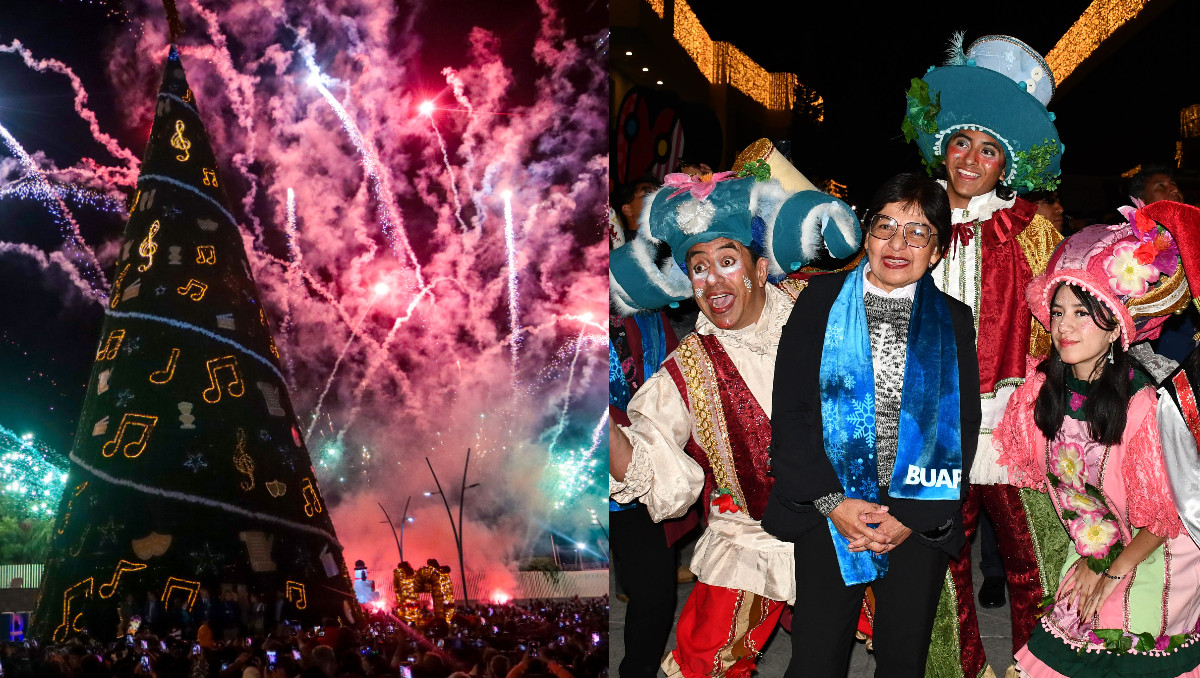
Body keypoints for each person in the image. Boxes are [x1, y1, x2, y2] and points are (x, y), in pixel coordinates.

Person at [609, 168, 861, 677]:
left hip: (846, 522)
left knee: (920, 627)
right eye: (698, 268)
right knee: (705, 664)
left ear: (759, 265)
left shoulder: (817, 308)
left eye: (727, 260)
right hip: (753, 536)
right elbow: (655, 463)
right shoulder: (687, 369)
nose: (713, 280)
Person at [765, 172, 980, 677]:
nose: (898, 244)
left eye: (917, 232)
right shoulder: (818, 302)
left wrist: (909, 517)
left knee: (904, 658)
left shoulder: (953, 318)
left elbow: (959, 426)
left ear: (938, 249)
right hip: (831, 502)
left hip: (914, 505)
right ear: (866, 233)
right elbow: (792, 412)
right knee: (816, 656)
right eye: (885, 227)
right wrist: (833, 503)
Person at [902, 33, 1067, 676]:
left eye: (990, 149)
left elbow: (1064, 316)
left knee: (1038, 561)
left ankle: (1041, 667)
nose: (972, 158)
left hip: (1010, 422)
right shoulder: (908, 220)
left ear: (1009, 163)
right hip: (926, 423)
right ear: (941, 144)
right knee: (937, 566)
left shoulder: (1031, 228)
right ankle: (955, 670)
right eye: (962, 142)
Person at [994, 206, 1200, 676]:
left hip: (1157, 552)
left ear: (1115, 326)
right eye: (1058, 312)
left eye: (1082, 314)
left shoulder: (1145, 403)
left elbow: (1169, 515)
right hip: (1097, 543)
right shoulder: (1039, 394)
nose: (1064, 327)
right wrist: (1092, 557)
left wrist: (1110, 569)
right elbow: (1068, 496)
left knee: (1118, 643)